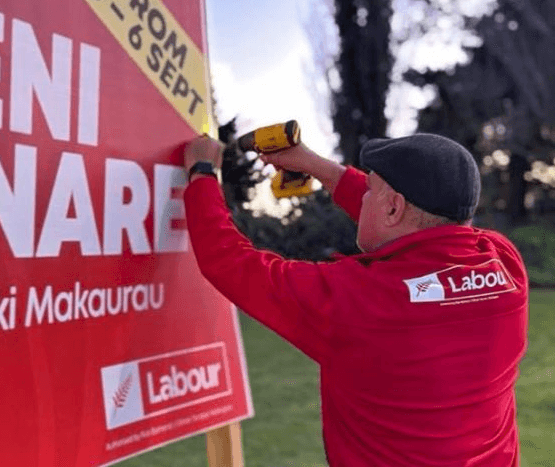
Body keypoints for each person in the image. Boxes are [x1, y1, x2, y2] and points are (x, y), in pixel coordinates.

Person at [182, 132, 528, 466]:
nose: (361, 198)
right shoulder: (504, 263)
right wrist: (313, 164)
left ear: (393, 208)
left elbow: (230, 263)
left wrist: (201, 173)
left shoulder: (358, 302)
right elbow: (413, 221)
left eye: (369, 191)